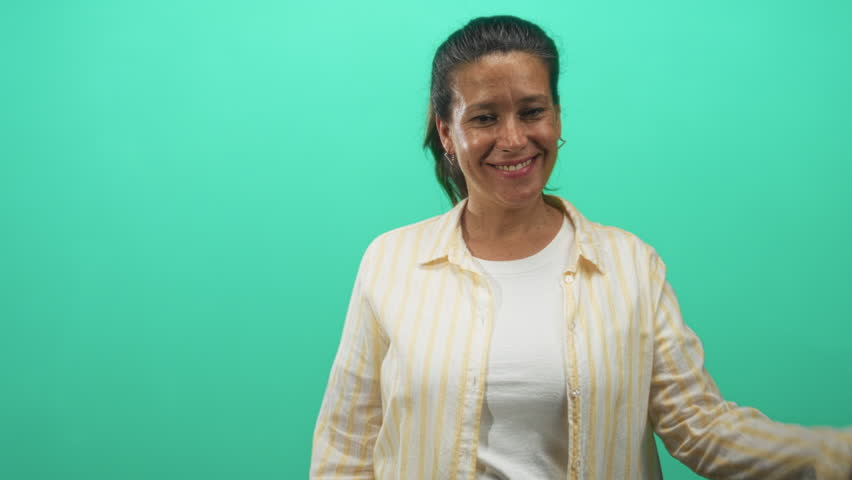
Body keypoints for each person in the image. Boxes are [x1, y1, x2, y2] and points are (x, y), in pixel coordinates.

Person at [310, 15, 852, 480]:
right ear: (447, 132)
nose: (514, 139)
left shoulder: (630, 266)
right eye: (484, 117)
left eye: (531, 110)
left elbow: (701, 428)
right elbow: (345, 450)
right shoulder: (391, 262)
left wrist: (835, 452)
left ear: (557, 115)